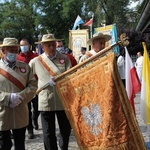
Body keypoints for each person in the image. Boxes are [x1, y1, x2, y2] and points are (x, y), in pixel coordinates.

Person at [29, 33, 72, 150]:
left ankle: (63, 147)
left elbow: (70, 76)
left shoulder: (64, 58)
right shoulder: (36, 61)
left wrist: (61, 79)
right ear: (43, 46)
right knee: (48, 132)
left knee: (65, 129)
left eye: (53, 44)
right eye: (48, 45)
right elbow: (28, 78)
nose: (52, 48)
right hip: (45, 100)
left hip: (62, 99)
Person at [0, 37, 37, 150]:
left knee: (20, 144)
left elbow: (33, 85)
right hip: (2, 112)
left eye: (16, 50)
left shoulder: (25, 67)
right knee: (4, 145)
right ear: (3, 51)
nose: (14, 53)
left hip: (20, 111)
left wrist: (21, 97)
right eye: (11, 50)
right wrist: (8, 98)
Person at [17, 38, 40, 139]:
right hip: (23, 88)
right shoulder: (18, 58)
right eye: (21, 45)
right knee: (27, 110)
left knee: (37, 108)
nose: (23, 47)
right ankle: (30, 129)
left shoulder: (36, 57)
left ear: (29, 45)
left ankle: (35, 119)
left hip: (36, 87)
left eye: (24, 45)